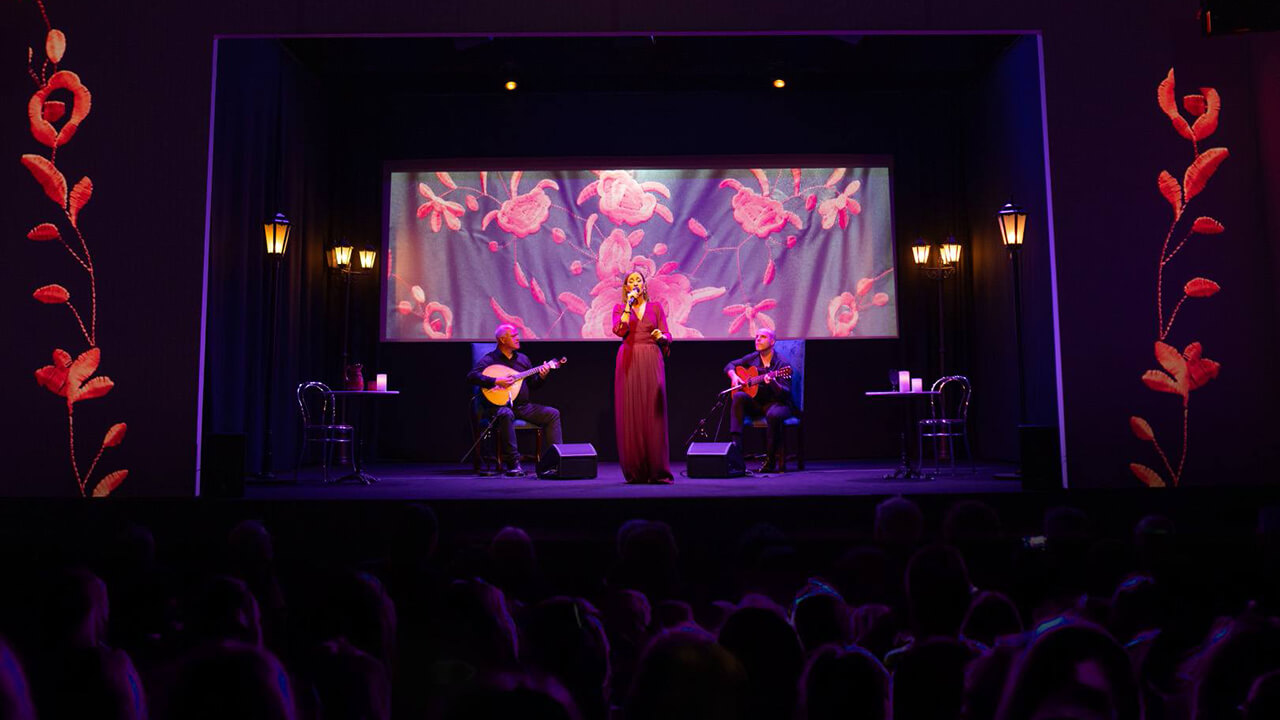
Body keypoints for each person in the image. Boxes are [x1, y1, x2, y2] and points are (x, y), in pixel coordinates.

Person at [468, 323, 563, 476]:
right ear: (502, 340)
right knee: (506, 414)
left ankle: (556, 462)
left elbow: (533, 384)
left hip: (522, 407)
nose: (518, 338)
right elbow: (472, 376)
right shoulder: (490, 359)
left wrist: (542, 376)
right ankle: (513, 464)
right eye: (513, 336)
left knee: (553, 413)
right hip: (498, 408)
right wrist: (495, 381)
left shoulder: (523, 360)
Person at [613, 271, 673, 484]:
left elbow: (667, 335)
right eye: (631, 281)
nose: (635, 283)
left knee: (652, 412)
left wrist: (662, 337)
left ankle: (658, 470)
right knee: (632, 411)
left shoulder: (656, 308)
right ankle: (635, 470)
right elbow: (619, 331)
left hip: (650, 357)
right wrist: (628, 307)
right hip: (628, 359)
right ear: (626, 288)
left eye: (639, 280)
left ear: (644, 286)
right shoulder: (620, 309)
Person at [724, 328, 794, 473]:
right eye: (756, 337)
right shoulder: (753, 357)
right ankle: (736, 450)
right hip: (758, 403)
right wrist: (734, 377)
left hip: (777, 403)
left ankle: (770, 460)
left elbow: (785, 394)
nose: (757, 339)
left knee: (773, 415)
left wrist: (773, 382)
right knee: (738, 396)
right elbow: (729, 365)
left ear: (772, 342)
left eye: (762, 337)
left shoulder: (782, 364)